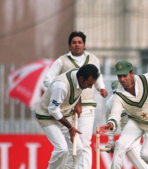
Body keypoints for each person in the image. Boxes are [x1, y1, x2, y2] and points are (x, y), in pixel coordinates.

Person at [44, 31, 108, 168]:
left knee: (84, 142)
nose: (77, 45)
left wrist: (101, 88)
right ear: (69, 45)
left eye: (80, 42)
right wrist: (59, 91)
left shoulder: (93, 59)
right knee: (70, 145)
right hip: (66, 109)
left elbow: (98, 78)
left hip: (87, 106)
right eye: (74, 42)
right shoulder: (62, 61)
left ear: (84, 45)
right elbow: (48, 80)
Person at [99, 61, 148, 169]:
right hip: (132, 134)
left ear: (131, 74)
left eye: (124, 76)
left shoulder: (141, 87)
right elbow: (112, 122)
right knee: (122, 147)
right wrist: (111, 142)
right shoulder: (112, 102)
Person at [35, 64, 100, 169]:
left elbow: (77, 89)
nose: (90, 87)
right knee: (62, 149)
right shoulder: (61, 86)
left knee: (78, 148)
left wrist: (78, 104)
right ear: (81, 78)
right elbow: (53, 110)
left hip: (64, 114)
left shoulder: (79, 76)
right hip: (47, 116)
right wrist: (70, 127)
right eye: (89, 84)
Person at [104, 80, 148, 168]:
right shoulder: (110, 103)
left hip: (139, 128)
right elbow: (110, 124)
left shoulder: (135, 97)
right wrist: (110, 141)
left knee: (122, 145)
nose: (117, 95)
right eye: (115, 92)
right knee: (122, 145)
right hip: (126, 131)